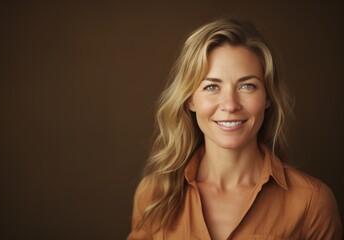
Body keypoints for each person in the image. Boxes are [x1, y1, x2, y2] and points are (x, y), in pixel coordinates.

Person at [127, 17, 342, 239]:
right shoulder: (154, 195)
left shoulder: (313, 203)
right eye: (212, 86)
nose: (230, 105)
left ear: (267, 97)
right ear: (190, 99)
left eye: (247, 86)